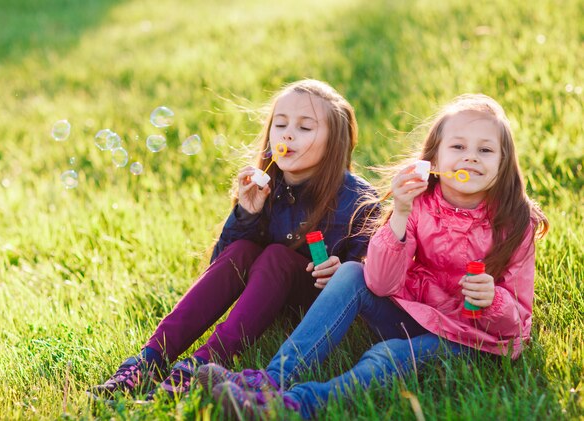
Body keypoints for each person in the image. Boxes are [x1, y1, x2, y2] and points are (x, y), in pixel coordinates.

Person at [201, 94, 549, 419]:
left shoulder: (515, 223)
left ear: (504, 163)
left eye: (485, 150)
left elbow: (517, 328)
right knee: (352, 273)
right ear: (434, 160)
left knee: (386, 356)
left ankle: (295, 404)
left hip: (471, 340)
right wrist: (399, 211)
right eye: (458, 146)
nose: (470, 157)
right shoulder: (417, 204)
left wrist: (494, 301)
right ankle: (272, 379)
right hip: (415, 317)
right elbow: (380, 282)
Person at [88, 79, 378, 401]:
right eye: (280, 124)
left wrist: (345, 272)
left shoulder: (358, 199)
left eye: (305, 128)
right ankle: (150, 358)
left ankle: (204, 363)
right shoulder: (267, 186)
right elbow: (222, 266)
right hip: (265, 297)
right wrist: (246, 213)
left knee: (277, 257)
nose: (288, 134)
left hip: (315, 308)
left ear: (334, 142)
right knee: (243, 248)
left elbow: (373, 278)